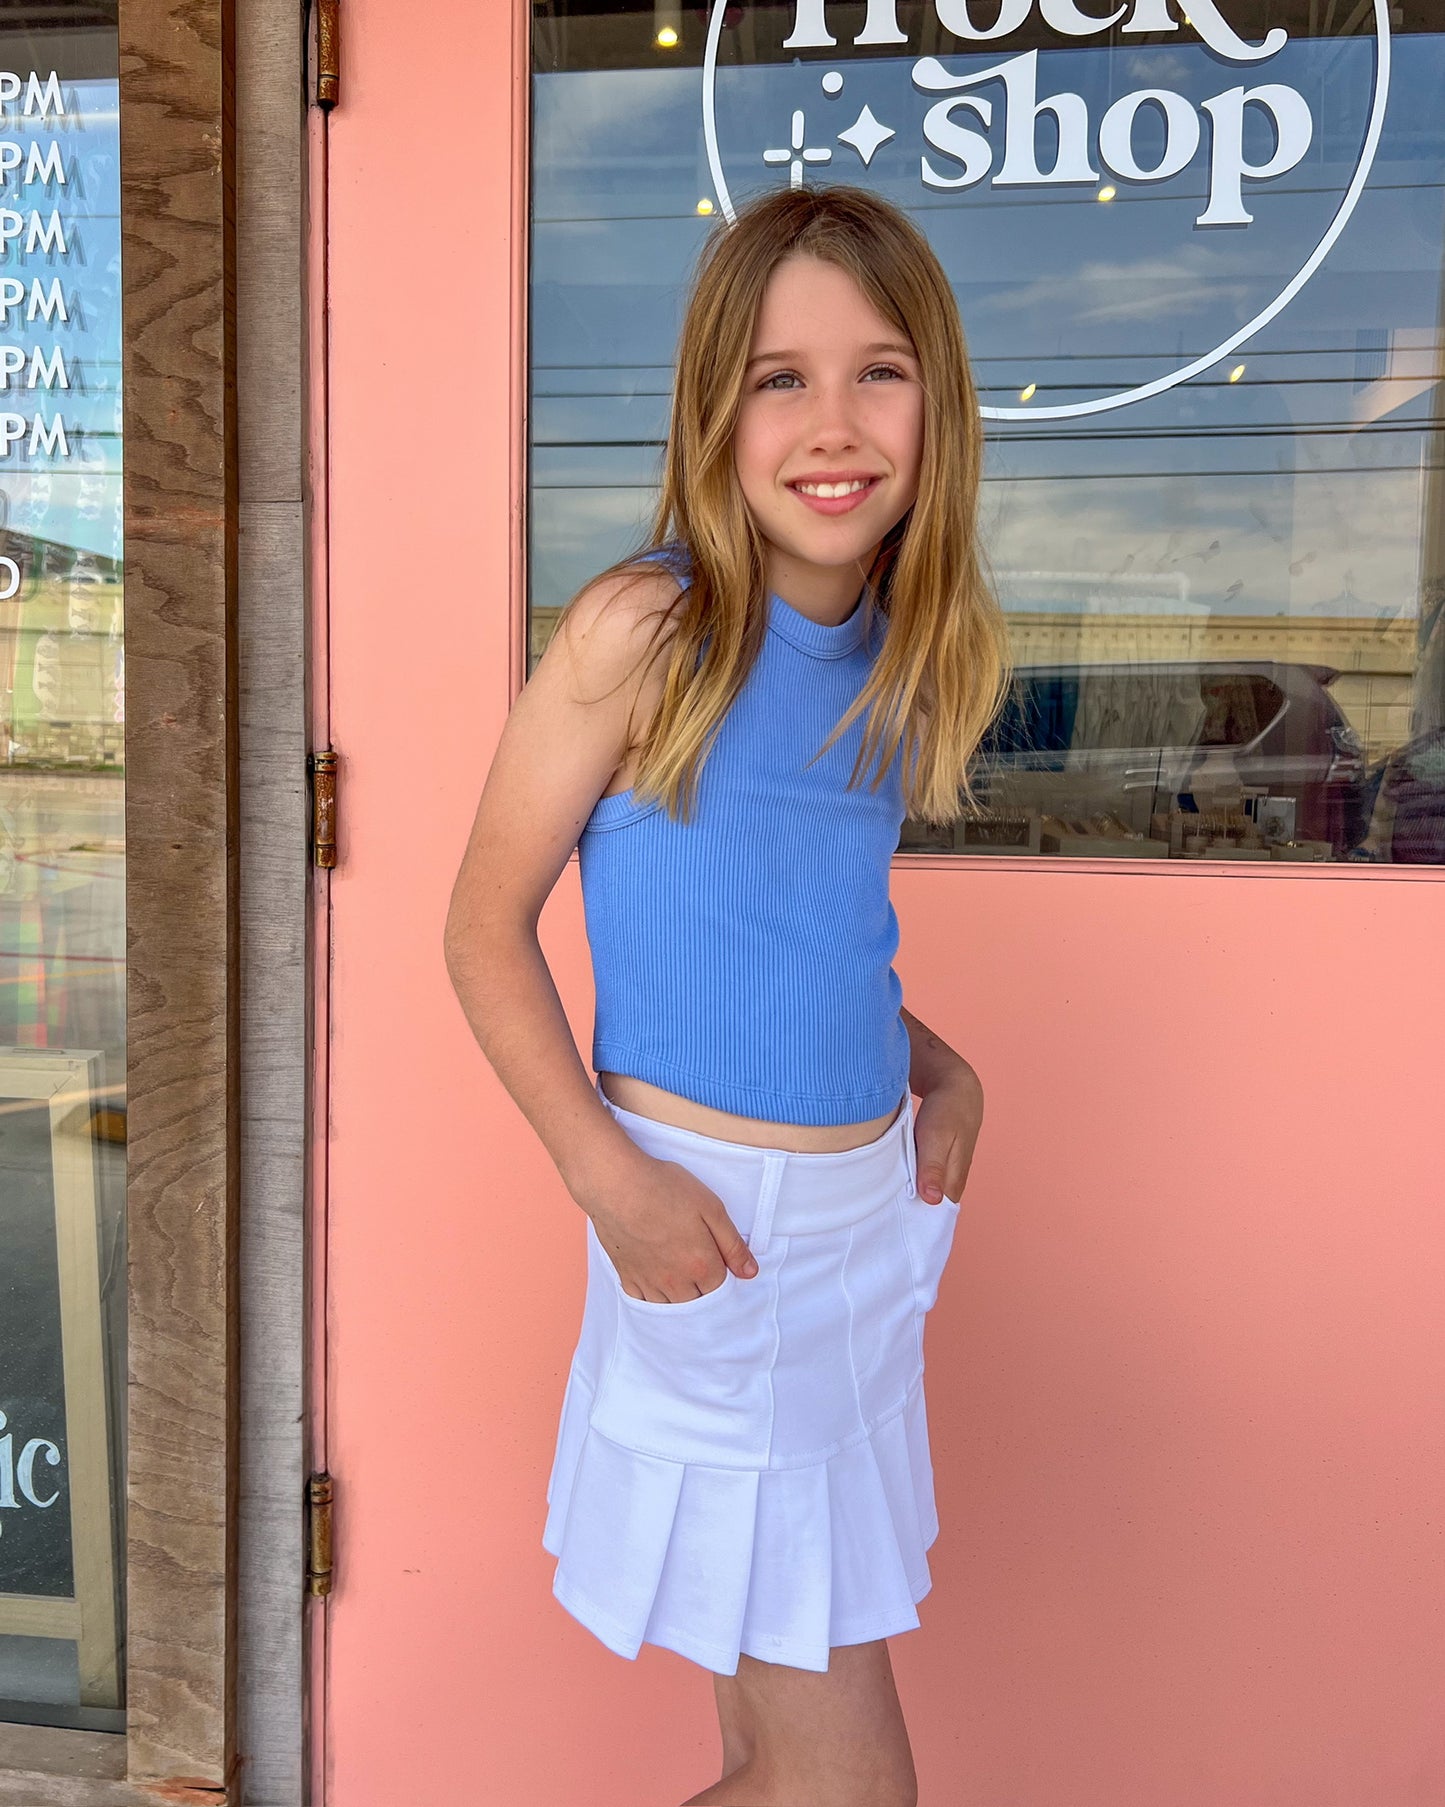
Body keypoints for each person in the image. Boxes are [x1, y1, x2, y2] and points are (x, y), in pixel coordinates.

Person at [444, 183, 1008, 1807]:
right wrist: (608, 1179)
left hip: (859, 1242)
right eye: (779, 379)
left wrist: (938, 1065)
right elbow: (481, 928)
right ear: (715, 413)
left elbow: (802, 937)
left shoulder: (899, 653)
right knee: (847, 1791)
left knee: (771, 1752)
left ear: (936, 404)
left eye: (878, 371)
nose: (833, 423)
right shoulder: (648, 631)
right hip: (714, 1231)